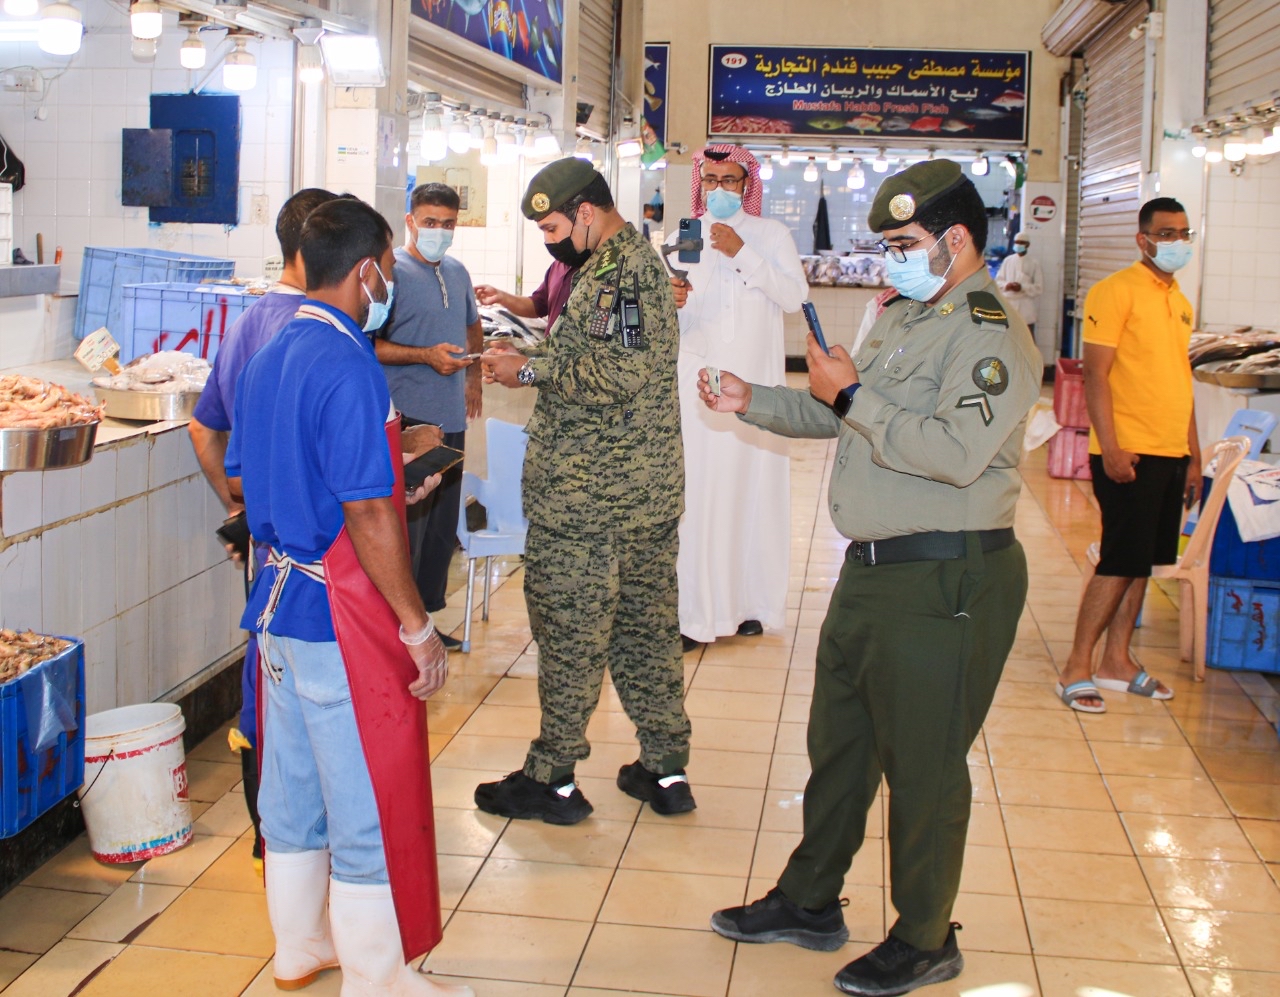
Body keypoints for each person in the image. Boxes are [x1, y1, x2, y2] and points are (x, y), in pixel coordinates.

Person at [705, 160, 1040, 997]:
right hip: (872, 571)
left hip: (946, 576)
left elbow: (953, 452)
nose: (891, 258)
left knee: (925, 765)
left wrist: (852, 394)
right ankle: (810, 899)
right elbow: (839, 410)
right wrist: (753, 398)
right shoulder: (901, 315)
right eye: (887, 244)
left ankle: (925, 937)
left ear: (955, 239)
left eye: (903, 243)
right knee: (841, 746)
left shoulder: (990, 334)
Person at [226, 196, 468, 996]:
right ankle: (377, 976)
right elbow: (365, 511)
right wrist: (416, 625)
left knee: (291, 789)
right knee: (365, 800)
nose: (388, 283)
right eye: (388, 268)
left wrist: (396, 477)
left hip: (276, 607)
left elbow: (263, 474)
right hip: (340, 617)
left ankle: (298, 946)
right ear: (365, 270)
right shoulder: (348, 360)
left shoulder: (270, 351)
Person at [475, 158, 694, 825]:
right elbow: (598, 357)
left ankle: (554, 778)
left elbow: (615, 374)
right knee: (645, 631)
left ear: (587, 213)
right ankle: (665, 768)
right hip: (639, 494)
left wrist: (526, 372)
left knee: (571, 630)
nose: (550, 241)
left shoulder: (621, 273)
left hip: (590, 497)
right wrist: (530, 357)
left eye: (552, 228)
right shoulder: (616, 267)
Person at [188, 186, 338, 872]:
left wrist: (237, 509)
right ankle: (300, 840)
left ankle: (273, 835)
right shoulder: (319, 328)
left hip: (267, 547)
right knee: (312, 693)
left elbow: (204, 426)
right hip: (317, 549)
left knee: (267, 677)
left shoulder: (251, 322)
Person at [1055, 197, 1198, 713]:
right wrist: (1110, 447)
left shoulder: (1180, 300)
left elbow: (1181, 380)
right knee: (1118, 561)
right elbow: (1096, 375)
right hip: (1129, 451)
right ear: (1143, 239)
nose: (1177, 242)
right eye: (1167, 233)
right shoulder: (1115, 291)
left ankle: (1116, 660)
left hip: (1170, 450)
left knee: (1143, 563)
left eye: (1184, 233)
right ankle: (1077, 665)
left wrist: (1194, 456)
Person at [671, 144, 807, 649]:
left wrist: (741, 251)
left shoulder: (770, 235)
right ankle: (694, 615)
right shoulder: (685, 236)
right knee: (700, 500)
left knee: (753, 496)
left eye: (730, 180)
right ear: (700, 183)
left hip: (756, 393)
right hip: (699, 391)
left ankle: (750, 606)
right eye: (711, 180)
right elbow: (678, 318)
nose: (719, 190)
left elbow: (794, 297)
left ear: (746, 185)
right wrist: (672, 299)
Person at [375, 183, 483, 650]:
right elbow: (371, 345)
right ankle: (400, 632)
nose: (440, 231)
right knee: (408, 533)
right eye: (430, 222)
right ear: (410, 221)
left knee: (439, 534)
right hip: (410, 424)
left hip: (450, 420)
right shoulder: (392, 275)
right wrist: (424, 356)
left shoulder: (456, 272)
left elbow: (473, 324)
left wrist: (473, 377)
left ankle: (424, 624)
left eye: (448, 223)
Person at [474, 257, 577, 330]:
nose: (549, 239)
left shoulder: (586, 273)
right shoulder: (557, 266)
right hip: (551, 351)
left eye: (552, 232)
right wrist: (501, 296)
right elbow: (537, 306)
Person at [995, 231, 1044, 363]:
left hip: (1026, 306)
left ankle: (1030, 365)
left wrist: (1022, 287)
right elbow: (998, 282)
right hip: (1009, 305)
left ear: (1027, 245)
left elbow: (1039, 287)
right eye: (1017, 242)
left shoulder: (1034, 263)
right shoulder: (1008, 261)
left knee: (1028, 340)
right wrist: (1008, 285)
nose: (1018, 245)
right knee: (1007, 338)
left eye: (1021, 243)